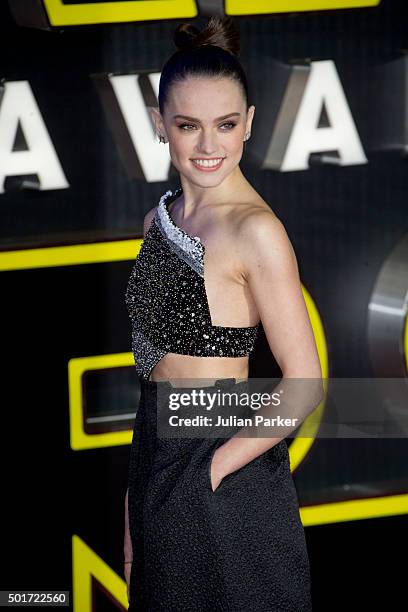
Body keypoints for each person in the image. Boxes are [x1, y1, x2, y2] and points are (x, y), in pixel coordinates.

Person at [123, 15, 322, 611]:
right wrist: (139, 501)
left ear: (249, 125)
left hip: (223, 466)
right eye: (188, 125)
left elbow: (305, 382)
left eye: (225, 124)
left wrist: (210, 471)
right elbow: (153, 380)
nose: (208, 146)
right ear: (161, 125)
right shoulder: (157, 223)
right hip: (154, 454)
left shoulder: (255, 230)